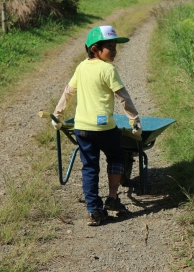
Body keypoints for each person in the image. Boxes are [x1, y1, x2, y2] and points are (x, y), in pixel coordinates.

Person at [52, 25, 142, 226]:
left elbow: (68, 92)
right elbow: (123, 97)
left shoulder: (81, 67)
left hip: (82, 128)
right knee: (116, 156)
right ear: (95, 49)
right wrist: (134, 119)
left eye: (115, 46)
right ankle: (112, 197)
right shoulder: (108, 69)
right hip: (104, 128)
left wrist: (57, 115)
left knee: (90, 167)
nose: (114, 50)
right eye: (109, 46)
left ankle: (94, 209)